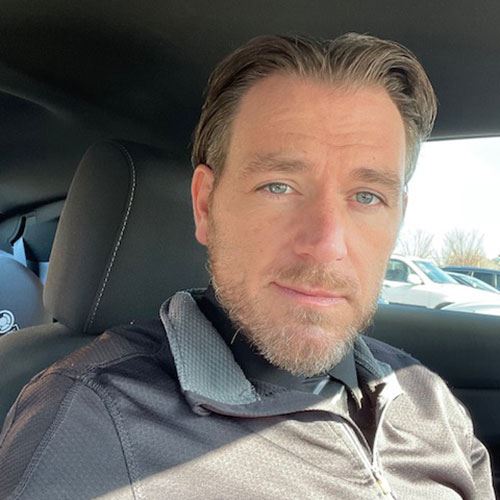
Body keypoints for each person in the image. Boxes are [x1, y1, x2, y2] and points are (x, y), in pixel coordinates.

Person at [0, 33, 494, 499]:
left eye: (367, 196)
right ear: (205, 205)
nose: (326, 245)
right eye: (279, 186)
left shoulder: (425, 398)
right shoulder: (92, 424)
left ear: (398, 216)